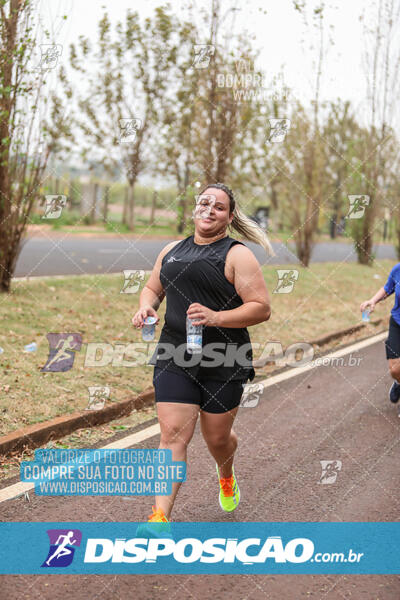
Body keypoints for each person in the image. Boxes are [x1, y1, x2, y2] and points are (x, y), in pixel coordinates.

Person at [132, 182, 273, 525]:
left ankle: (226, 474)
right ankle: (159, 518)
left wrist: (216, 317)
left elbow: (261, 308)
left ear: (229, 217)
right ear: (195, 208)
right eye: (204, 202)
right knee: (173, 435)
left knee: (217, 438)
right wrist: (146, 307)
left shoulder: (237, 254)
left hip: (225, 358)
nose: (210, 209)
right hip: (175, 353)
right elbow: (153, 288)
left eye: (219, 206)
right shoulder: (170, 251)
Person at [360, 263, 400, 404]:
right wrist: (373, 300)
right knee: (395, 370)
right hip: (397, 322)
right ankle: (398, 383)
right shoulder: (398, 269)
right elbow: (388, 287)